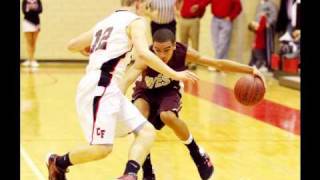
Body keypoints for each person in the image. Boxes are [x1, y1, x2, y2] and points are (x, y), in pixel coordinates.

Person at [45, 1, 198, 180]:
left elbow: (72, 45)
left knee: (146, 132)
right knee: (102, 149)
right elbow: (144, 54)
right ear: (139, 3)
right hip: (101, 85)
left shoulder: (105, 22)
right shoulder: (135, 21)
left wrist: (92, 49)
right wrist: (176, 74)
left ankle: (129, 174)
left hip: (107, 87)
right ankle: (58, 162)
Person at [120, 29, 266, 180]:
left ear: (175, 46)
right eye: (157, 50)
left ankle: (197, 154)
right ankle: (148, 171)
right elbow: (127, 78)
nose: (161, 55)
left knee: (167, 116)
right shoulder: (146, 56)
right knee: (139, 119)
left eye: (166, 50)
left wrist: (250, 70)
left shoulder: (185, 53)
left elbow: (218, 64)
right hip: (146, 92)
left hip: (169, 91)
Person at [191, 0, 242, 71]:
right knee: (216, 44)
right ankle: (223, 66)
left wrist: (231, 17)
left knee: (223, 44)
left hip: (226, 21)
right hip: (215, 19)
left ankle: (216, 64)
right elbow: (206, 1)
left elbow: (239, 8)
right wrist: (198, 6)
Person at [177, 0, 206, 70]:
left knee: (194, 42)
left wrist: (199, 17)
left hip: (194, 20)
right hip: (183, 20)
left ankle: (194, 62)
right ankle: (184, 62)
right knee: (183, 43)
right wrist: (178, 11)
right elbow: (177, 2)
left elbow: (203, 6)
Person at [21, 0, 43, 68]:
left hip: (36, 23)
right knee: (29, 42)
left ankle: (32, 60)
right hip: (27, 22)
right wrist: (30, 8)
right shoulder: (25, 1)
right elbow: (24, 12)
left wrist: (33, 8)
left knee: (33, 42)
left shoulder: (38, 1)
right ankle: (29, 60)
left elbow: (40, 10)